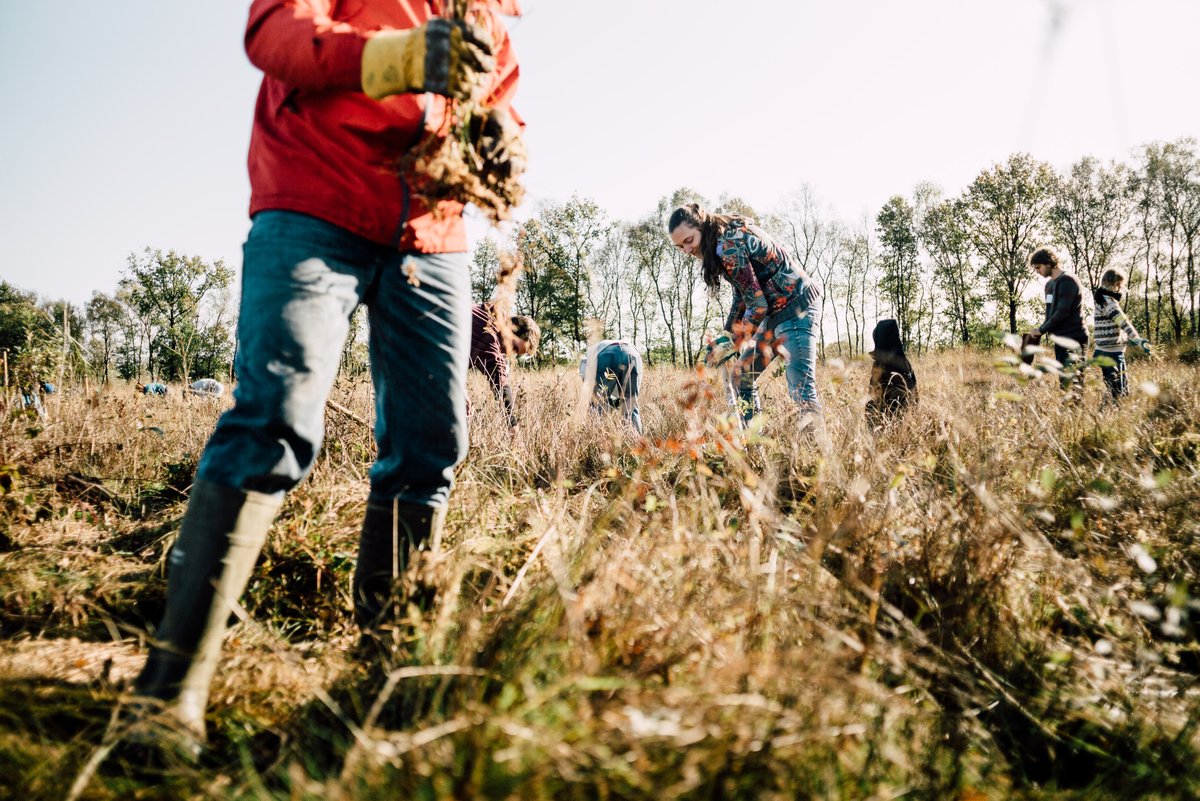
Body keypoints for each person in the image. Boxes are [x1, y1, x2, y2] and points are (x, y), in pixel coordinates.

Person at [124, 0, 523, 756]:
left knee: (431, 443)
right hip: (314, 196)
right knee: (274, 420)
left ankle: (383, 678)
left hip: (432, 230)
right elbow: (273, 32)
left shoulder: (488, 5)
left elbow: (499, 86)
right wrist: (398, 58)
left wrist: (501, 134)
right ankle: (167, 697)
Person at [667, 203, 822, 426]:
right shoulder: (720, 242)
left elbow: (757, 305)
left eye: (689, 241)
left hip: (796, 306)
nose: (687, 251)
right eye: (680, 247)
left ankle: (815, 453)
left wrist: (732, 344)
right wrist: (727, 335)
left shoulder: (727, 245)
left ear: (701, 225)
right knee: (741, 378)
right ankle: (753, 442)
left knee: (801, 389)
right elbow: (743, 295)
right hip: (774, 312)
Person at [468, 302, 540, 428]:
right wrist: (513, 425)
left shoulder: (489, 313)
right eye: (514, 348)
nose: (509, 353)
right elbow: (500, 383)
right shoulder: (489, 335)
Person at [1027, 247, 1088, 393]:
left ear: (1048, 263)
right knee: (1064, 379)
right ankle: (1069, 412)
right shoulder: (1049, 285)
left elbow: (1062, 312)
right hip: (1060, 338)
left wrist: (1042, 329)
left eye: (1038, 267)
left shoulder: (1068, 281)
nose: (1037, 271)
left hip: (1074, 336)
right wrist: (1040, 331)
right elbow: (1050, 312)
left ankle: (1076, 411)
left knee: (1074, 379)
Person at [1092, 267, 1151, 401]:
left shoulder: (1101, 299)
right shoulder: (1108, 302)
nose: (1119, 288)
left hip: (1108, 350)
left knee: (1116, 387)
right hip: (1110, 352)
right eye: (1118, 285)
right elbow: (1122, 321)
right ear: (1110, 284)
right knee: (1119, 390)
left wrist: (1126, 338)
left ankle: (1109, 410)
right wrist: (1136, 338)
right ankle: (1111, 414)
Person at [580, 339, 643, 434]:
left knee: (597, 405)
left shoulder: (587, 357)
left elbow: (588, 382)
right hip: (632, 353)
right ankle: (636, 442)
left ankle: (596, 440)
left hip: (605, 355)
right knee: (631, 404)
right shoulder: (593, 350)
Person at [865, 318, 917, 429]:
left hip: (887, 422)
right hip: (907, 420)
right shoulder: (904, 361)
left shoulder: (880, 364)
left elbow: (873, 395)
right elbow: (915, 395)